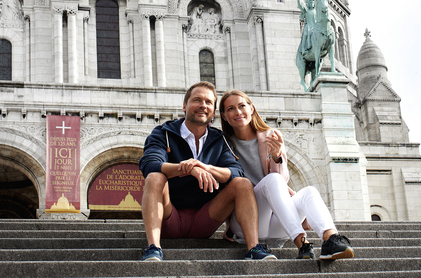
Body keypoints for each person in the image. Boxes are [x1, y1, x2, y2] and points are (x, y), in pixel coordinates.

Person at [138, 81, 276, 262]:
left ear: (213, 111)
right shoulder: (163, 133)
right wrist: (189, 169)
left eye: (209, 102)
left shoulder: (220, 139)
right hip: (168, 216)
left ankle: (253, 248)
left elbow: (236, 172)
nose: (203, 105)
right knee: (155, 177)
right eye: (197, 100)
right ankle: (153, 248)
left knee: (242, 183)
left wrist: (205, 167)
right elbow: (149, 164)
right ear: (185, 105)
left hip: (204, 219)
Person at [219, 89, 354, 260]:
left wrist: (276, 157)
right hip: (245, 223)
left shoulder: (271, 136)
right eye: (230, 109)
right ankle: (302, 243)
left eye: (241, 106)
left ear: (251, 108)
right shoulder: (222, 142)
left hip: (278, 224)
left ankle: (331, 239)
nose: (238, 112)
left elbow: (281, 181)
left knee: (309, 192)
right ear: (223, 116)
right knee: (272, 180)